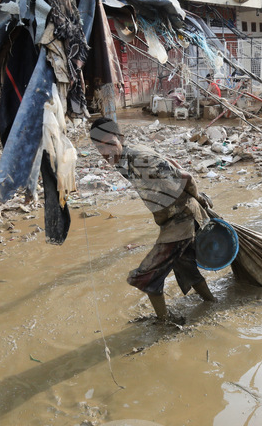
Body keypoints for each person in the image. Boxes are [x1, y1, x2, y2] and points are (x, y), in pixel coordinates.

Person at [90, 118, 216, 323]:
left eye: (109, 143)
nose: (106, 152)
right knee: (186, 267)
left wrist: (201, 200)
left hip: (182, 218)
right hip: (170, 220)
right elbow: (172, 163)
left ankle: (163, 322)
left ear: (120, 138)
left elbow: (186, 178)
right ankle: (212, 304)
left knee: (146, 275)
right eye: (99, 147)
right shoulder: (122, 160)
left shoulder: (140, 159)